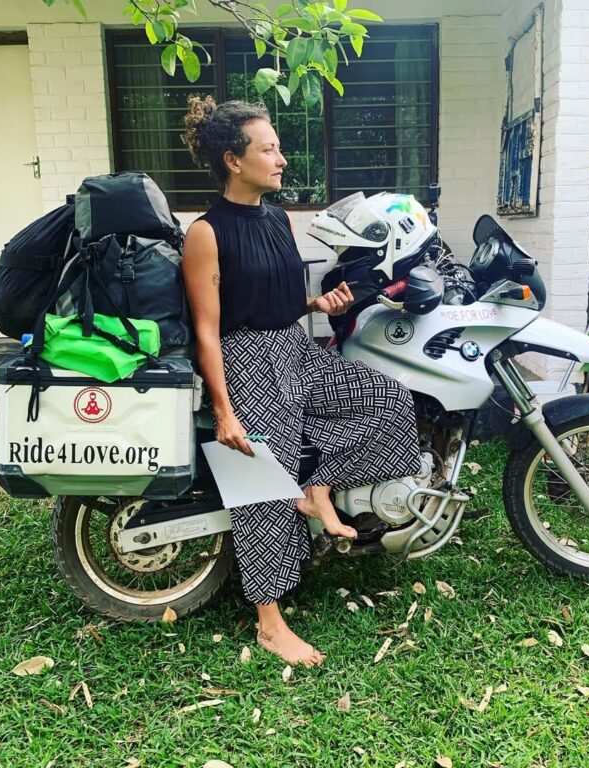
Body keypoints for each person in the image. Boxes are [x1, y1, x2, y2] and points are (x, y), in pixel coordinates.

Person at [181, 97, 421, 667]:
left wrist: (317, 301)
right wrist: (224, 410)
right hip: (245, 359)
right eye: (269, 149)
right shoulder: (205, 234)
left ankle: (313, 490)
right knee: (260, 480)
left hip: (292, 345)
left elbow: (283, 297)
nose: (281, 159)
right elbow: (207, 332)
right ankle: (269, 621)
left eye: (278, 147)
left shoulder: (279, 218)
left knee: (385, 395)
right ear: (233, 161)